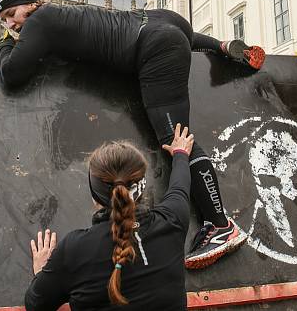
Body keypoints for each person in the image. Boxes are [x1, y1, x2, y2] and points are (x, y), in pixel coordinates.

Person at [0, 0, 265, 268]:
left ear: (31, 2)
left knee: (177, 140)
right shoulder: (60, 15)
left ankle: (219, 225)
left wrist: (4, 46)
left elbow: (12, 74)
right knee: (170, 35)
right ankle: (223, 47)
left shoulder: (40, 22)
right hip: (167, 23)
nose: (11, 24)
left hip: (153, 49)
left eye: (12, 13)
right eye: (3, 20)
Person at [25, 124, 193, 310]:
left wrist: (41, 270)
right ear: (142, 187)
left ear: (94, 195)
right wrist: (180, 154)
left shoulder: (75, 249)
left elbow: (36, 305)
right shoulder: (173, 219)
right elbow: (180, 186)